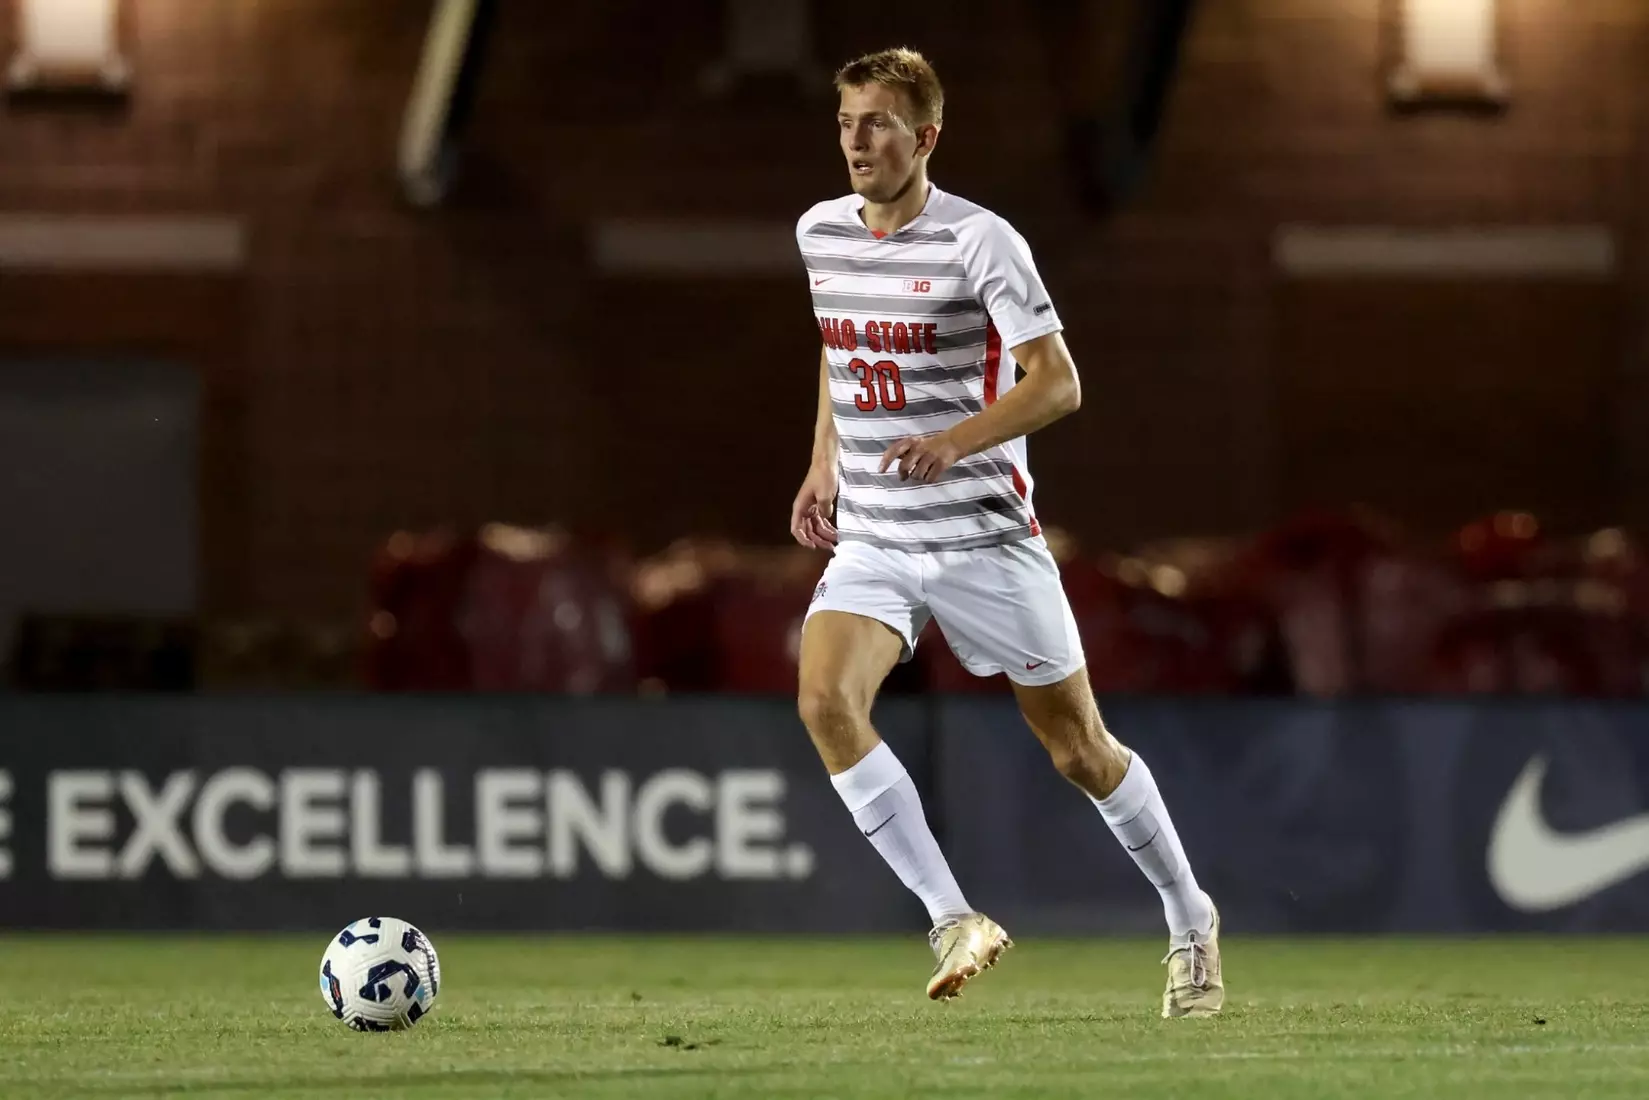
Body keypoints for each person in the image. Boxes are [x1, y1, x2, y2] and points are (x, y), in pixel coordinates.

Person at [788, 46, 1223, 1016]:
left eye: (877, 123)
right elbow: (837, 342)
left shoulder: (981, 241)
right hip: (877, 533)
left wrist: (955, 439)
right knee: (823, 698)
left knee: (1079, 751)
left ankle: (1189, 918)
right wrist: (824, 457)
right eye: (845, 120)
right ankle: (953, 917)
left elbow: (1058, 382)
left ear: (925, 137)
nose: (855, 140)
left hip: (983, 536)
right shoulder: (820, 232)